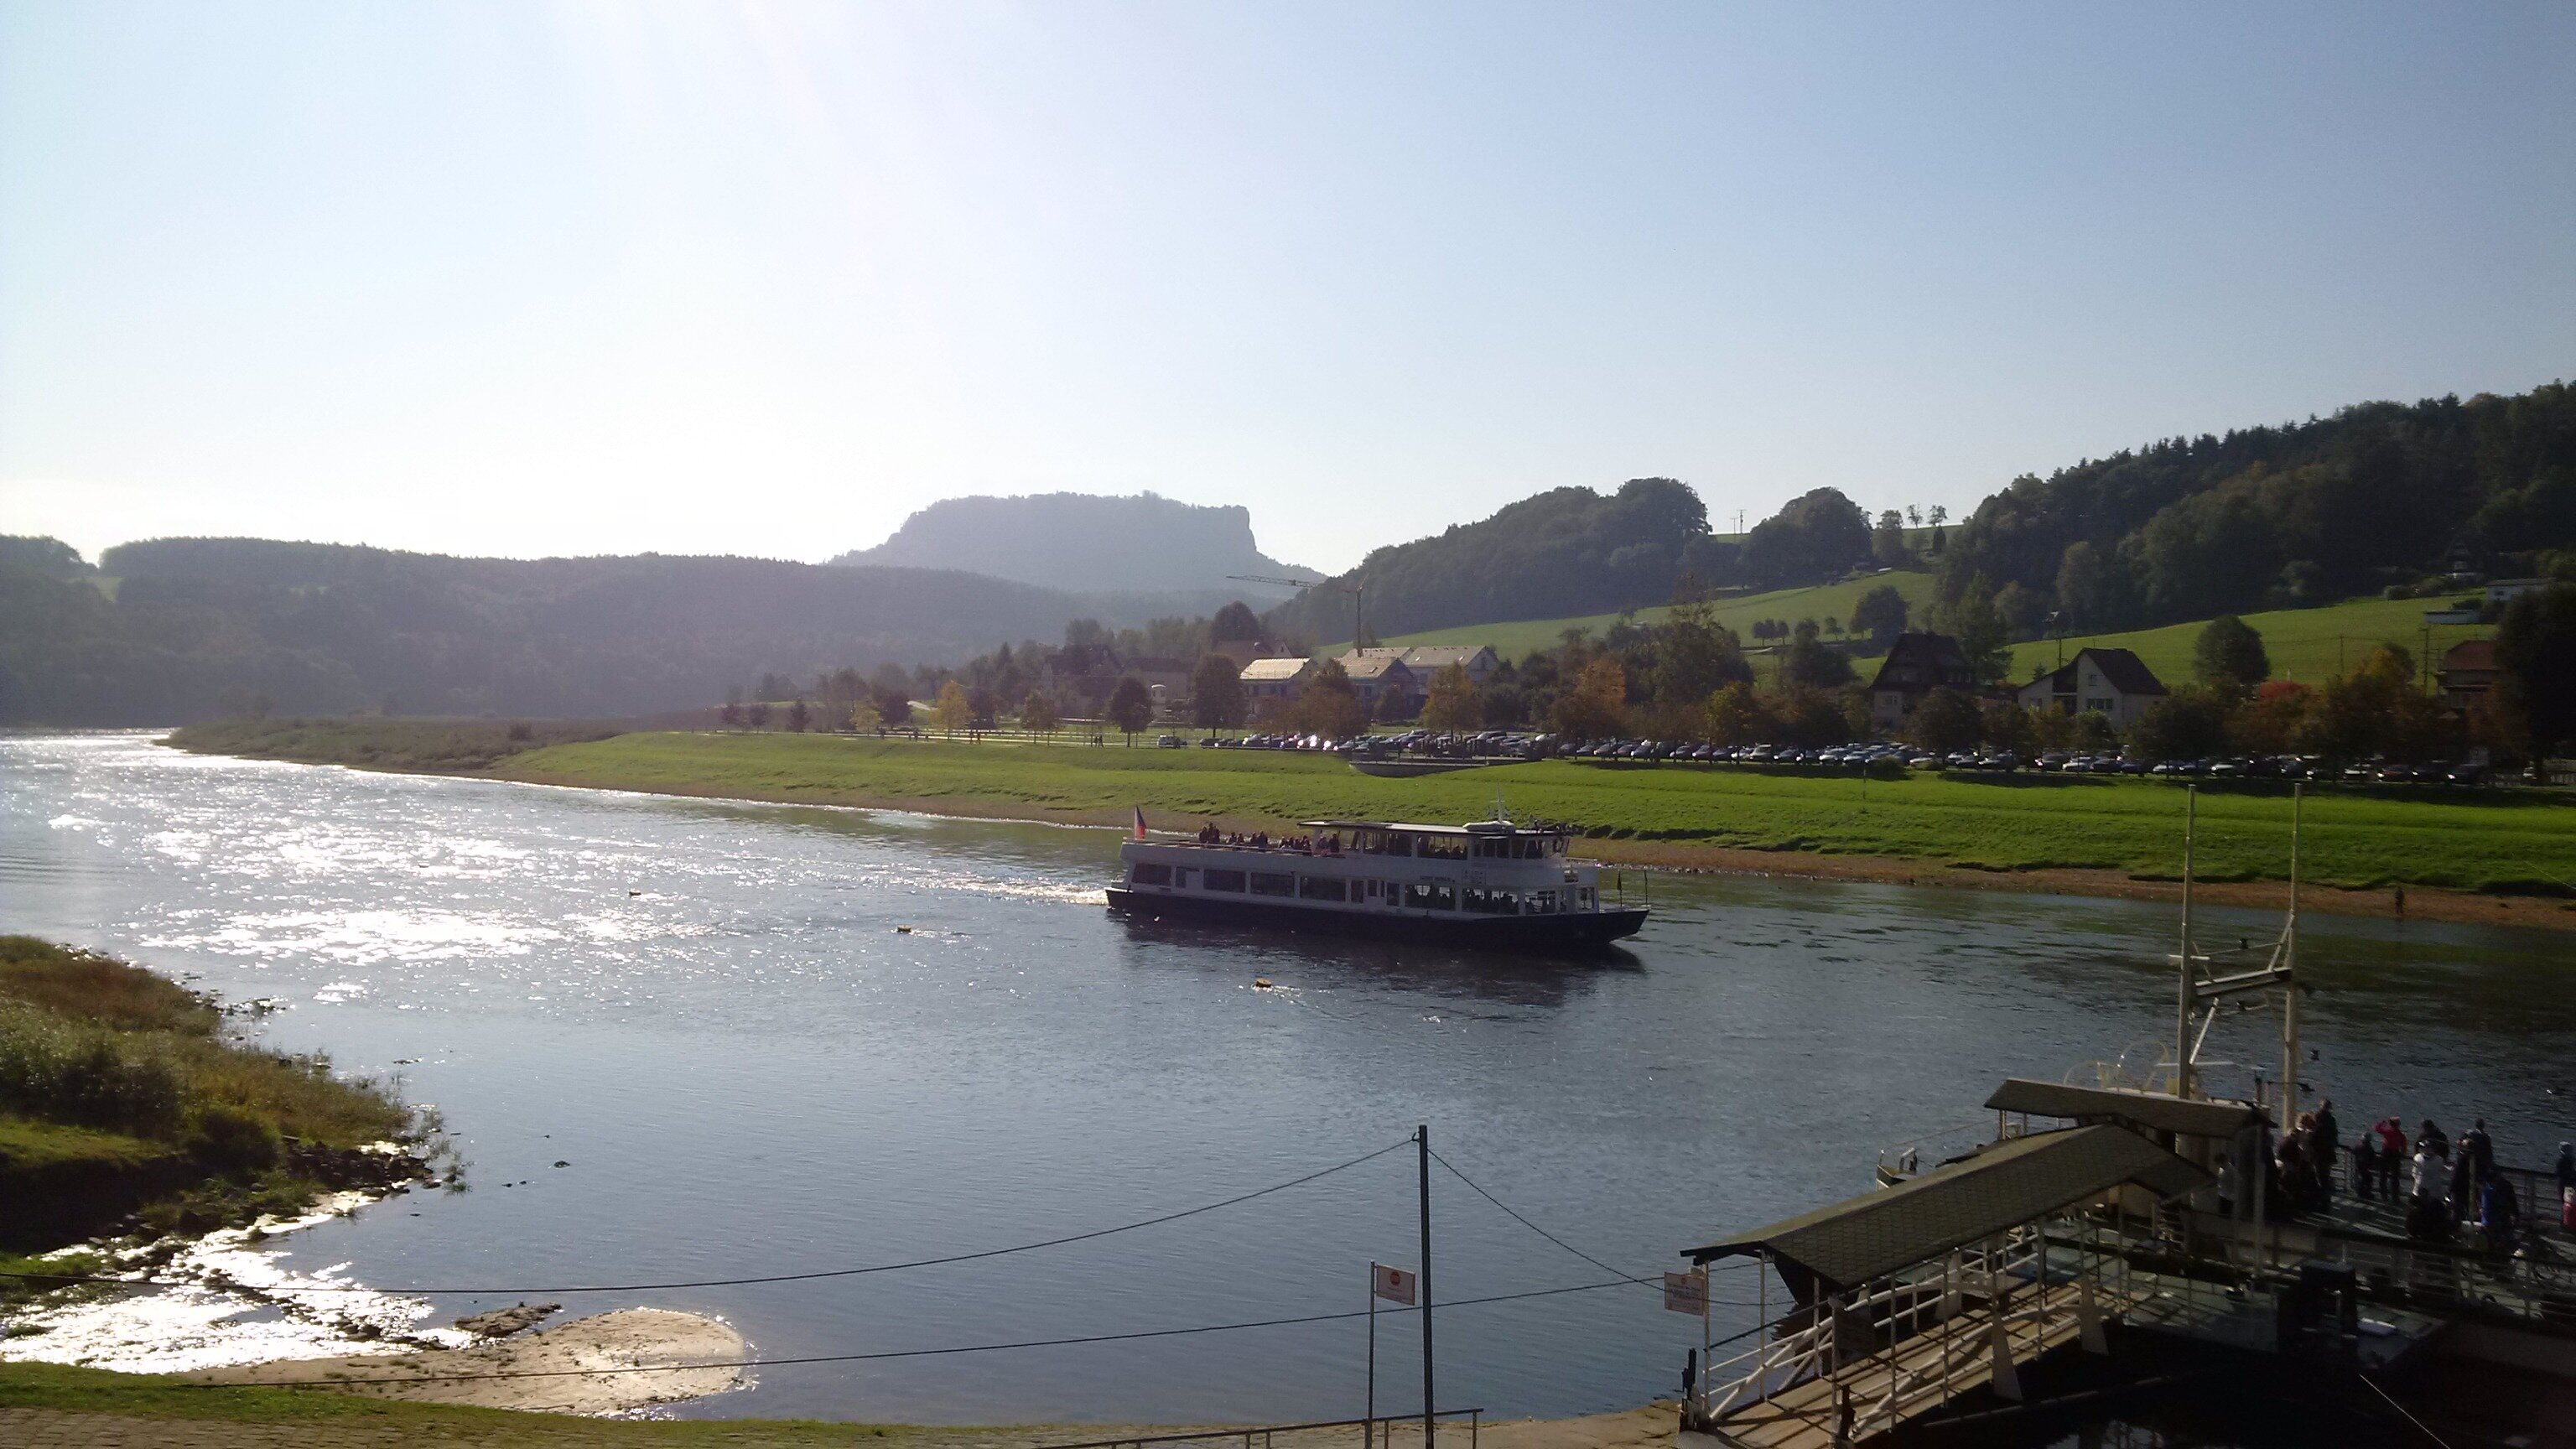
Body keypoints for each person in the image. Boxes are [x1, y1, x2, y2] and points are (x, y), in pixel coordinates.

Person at [2313, 1099, 2340, 1197]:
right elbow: (2334, 1133)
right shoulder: (2328, 1119)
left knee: (2322, 1171)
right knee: (2322, 1171)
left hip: (2323, 1149)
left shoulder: (2319, 1117)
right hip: (2324, 1149)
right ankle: (2324, 1190)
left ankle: (2323, 1190)